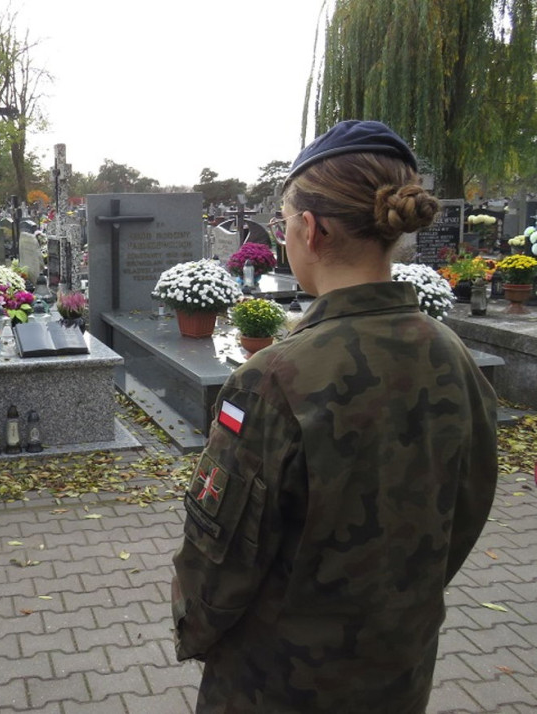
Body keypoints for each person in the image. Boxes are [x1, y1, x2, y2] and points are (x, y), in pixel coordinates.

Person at [171, 120, 498, 713]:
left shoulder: (272, 379)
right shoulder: (455, 357)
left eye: (283, 222)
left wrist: (193, 631)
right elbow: (465, 512)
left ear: (310, 228)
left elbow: (218, 560)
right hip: (396, 672)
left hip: (275, 683)